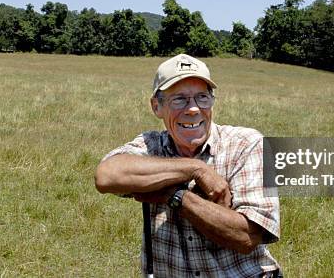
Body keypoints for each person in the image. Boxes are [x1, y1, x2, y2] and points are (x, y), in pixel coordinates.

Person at [95, 54, 281, 277]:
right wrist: (196, 168)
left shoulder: (247, 144)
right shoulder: (151, 145)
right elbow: (106, 176)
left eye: (202, 97)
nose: (193, 109)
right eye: (179, 99)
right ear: (157, 107)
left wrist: (176, 196)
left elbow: (247, 237)